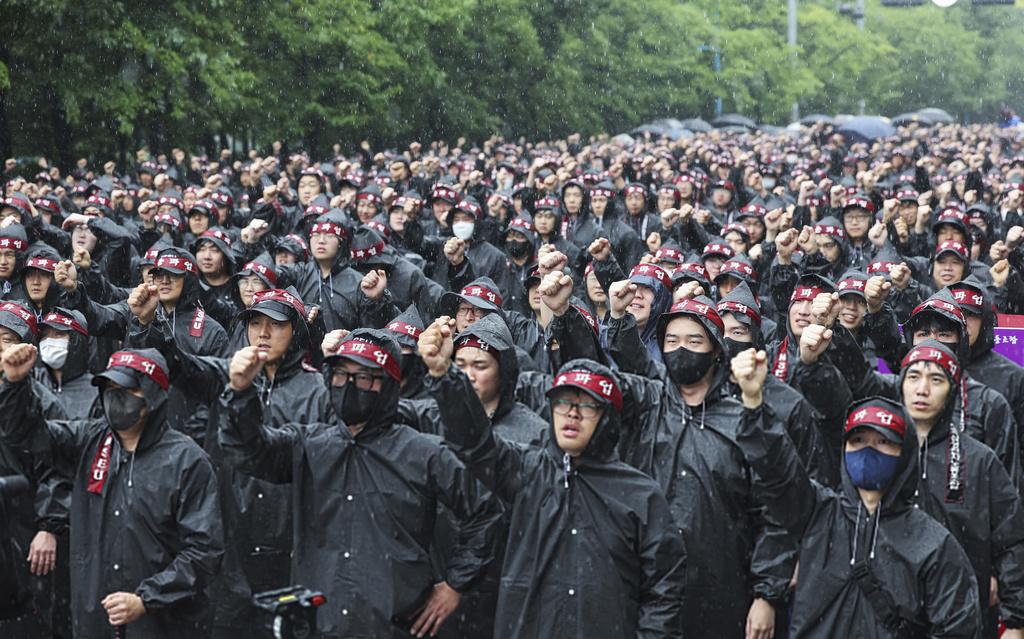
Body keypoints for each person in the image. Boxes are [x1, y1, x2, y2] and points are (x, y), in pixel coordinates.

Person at [220, 328, 502, 638]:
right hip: (321, 623)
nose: (349, 385)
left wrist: (454, 586)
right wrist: (240, 390)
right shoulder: (310, 445)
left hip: (395, 625)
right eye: (341, 375)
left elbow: (484, 511)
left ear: (387, 386)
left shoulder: (423, 453)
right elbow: (249, 450)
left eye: (364, 377)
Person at [417, 317, 687, 638]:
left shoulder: (641, 494)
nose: (572, 413)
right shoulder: (527, 469)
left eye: (586, 405)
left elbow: (664, 591)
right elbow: (475, 443)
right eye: (563, 403)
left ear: (608, 418)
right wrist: (443, 374)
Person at [729, 348, 982, 636]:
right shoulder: (818, 513)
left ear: (905, 453)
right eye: (858, 440)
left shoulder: (933, 544)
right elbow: (777, 468)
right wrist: (753, 401)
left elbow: (957, 628)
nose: (868, 450)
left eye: (883, 442)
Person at [0, 344, 224, 638]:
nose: (115, 397)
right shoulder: (88, 440)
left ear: (153, 394)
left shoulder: (187, 461)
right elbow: (29, 434)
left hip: (163, 624)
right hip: (95, 617)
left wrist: (146, 598)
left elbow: (204, 551)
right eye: (109, 388)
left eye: (126, 389)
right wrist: (15, 384)